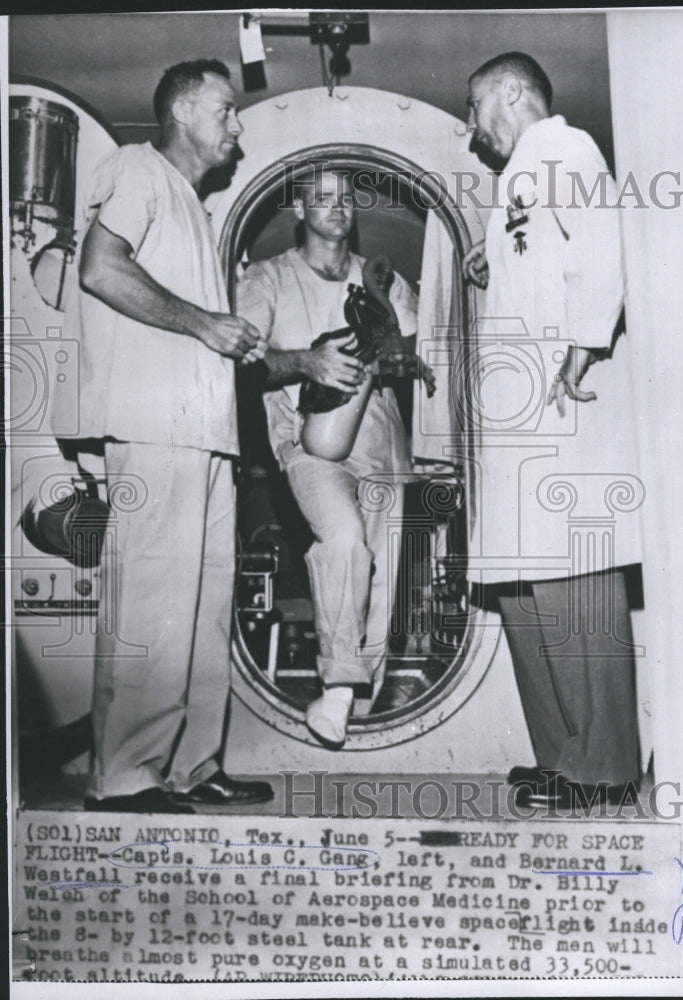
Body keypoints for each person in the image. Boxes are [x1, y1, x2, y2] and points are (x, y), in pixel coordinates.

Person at [53, 60, 274, 813]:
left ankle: (190, 766)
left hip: (204, 437)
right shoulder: (136, 169)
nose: (235, 126)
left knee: (205, 608)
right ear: (182, 109)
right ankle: (122, 775)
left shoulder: (193, 209)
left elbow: (197, 328)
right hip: (152, 429)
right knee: (152, 603)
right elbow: (99, 270)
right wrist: (206, 322)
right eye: (227, 109)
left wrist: (236, 341)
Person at [463, 53, 643, 809]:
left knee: (574, 579)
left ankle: (602, 768)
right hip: (520, 413)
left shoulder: (563, 146)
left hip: (563, 399)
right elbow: (543, 255)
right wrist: (490, 261)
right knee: (518, 585)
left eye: (475, 106)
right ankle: (562, 754)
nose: (474, 127)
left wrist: (581, 340)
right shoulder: (518, 179)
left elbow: (603, 244)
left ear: (510, 93)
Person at [236, 168, 424, 748]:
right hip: (310, 446)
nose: (336, 207)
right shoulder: (266, 278)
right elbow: (245, 361)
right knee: (343, 540)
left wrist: (396, 351)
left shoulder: (384, 281)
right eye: (321, 197)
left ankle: (351, 708)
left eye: (346, 198)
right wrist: (310, 364)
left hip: (382, 447)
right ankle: (342, 684)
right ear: (300, 208)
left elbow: (420, 357)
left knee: (382, 572)